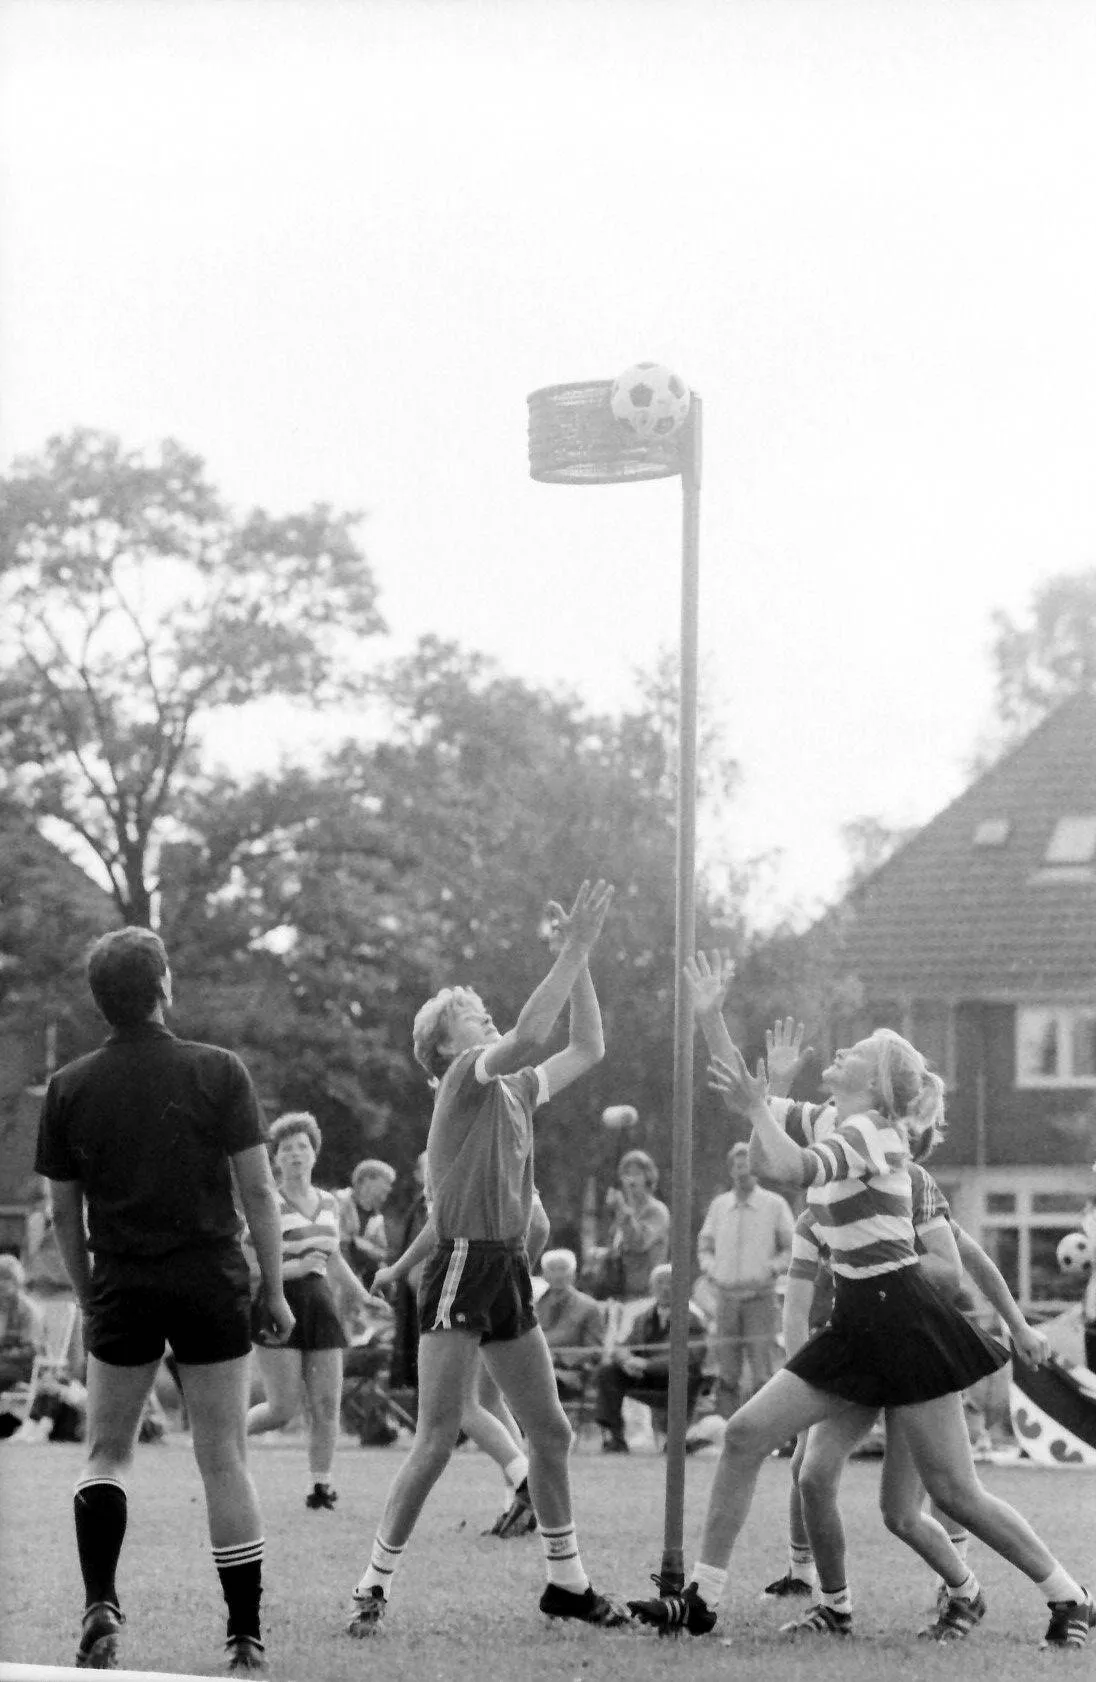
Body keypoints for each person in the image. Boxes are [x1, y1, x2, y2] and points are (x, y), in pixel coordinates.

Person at [628, 951, 1094, 1652]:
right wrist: (709, 1017)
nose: (840, 1050)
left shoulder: (870, 1134)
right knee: (748, 1435)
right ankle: (701, 1602)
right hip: (857, 1318)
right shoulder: (828, 1118)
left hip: (904, 1320)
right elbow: (751, 1122)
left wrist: (762, 1102)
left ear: (874, 1084)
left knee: (953, 1494)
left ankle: (1070, 1596)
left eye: (858, 1051)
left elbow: (782, 1165)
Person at [346, 879, 630, 1634]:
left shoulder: (515, 1091)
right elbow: (536, 1030)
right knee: (438, 1436)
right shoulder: (465, 1083)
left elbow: (588, 1046)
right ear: (446, 1044)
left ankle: (566, 1583)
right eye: (473, 1015)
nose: (488, 1017)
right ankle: (372, 1584)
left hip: (504, 1267)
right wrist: (571, 949)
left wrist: (586, 959)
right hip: (466, 1265)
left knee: (553, 1434)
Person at [33, 925, 295, 1674]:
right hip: (210, 1279)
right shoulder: (220, 1071)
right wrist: (273, 1289)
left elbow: (60, 1214)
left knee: (107, 1451)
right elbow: (259, 1190)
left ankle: (100, 1605)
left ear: (100, 1001)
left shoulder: (69, 1086)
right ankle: (244, 1636)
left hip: (123, 1282)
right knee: (222, 1456)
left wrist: (90, 1295)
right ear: (164, 988)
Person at [245, 1112, 373, 1509]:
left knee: (325, 1404)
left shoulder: (331, 1203)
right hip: (276, 1301)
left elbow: (333, 1258)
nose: (296, 1155)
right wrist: (291, 1269)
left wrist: (363, 1296)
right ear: (275, 1158)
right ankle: (222, 1442)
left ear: (314, 1155)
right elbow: (248, 1265)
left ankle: (321, 1486)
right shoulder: (268, 1202)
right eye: (287, 1149)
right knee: (282, 1408)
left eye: (303, 1147)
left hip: (320, 1303)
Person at [697, 1141, 794, 1418]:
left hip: (760, 1298)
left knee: (762, 1370)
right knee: (726, 1372)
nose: (744, 1171)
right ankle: (726, 1431)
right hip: (725, 1298)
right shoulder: (719, 1206)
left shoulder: (774, 1205)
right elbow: (704, 1244)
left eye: (749, 1165)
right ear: (731, 1170)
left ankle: (764, 1431)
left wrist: (772, 1268)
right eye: (739, 1166)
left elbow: (790, 1246)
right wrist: (711, 1269)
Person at [594, 1263, 706, 1452]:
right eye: (660, 1283)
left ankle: (675, 1441)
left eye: (671, 1282)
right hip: (646, 1377)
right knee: (608, 1373)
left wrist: (646, 1364)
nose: (665, 1288)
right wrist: (627, 1360)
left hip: (678, 1378)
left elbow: (689, 1357)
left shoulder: (693, 1317)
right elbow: (623, 1346)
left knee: (684, 1377)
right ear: (651, 1287)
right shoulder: (643, 1317)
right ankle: (615, 1438)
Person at [534, 1248, 605, 1402]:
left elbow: (595, 1351)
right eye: (553, 1269)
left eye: (563, 1269)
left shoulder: (589, 1307)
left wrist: (558, 1358)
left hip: (569, 1372)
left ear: (573, 1274)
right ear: (544, 1275)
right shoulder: (533, 1305)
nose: (559, 1275)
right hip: (533, 1366)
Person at [387, 1151, 429, 1396]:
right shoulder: (420, 1205)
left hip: (432, 1298)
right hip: (417, 1296)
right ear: (417, 1174)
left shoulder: (437, 1205)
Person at [604, 1150, 670, 1302]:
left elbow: (638, 1243)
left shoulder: (656, 1211)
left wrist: (621, 1210)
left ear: (648, 1177)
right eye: (627, 1173)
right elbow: (618, 1249)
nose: (631, 1180)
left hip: (645, 1294)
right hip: (619, 1293)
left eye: (637, 1173)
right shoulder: (624, 1210)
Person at [0, 1253, 45, 1429]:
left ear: (17, 1281)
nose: (1, 1284)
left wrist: (5, 1355)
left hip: (22, 1367)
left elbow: (32, 1350)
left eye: (6, 1279)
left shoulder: (27, 1310)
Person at [339, 1159, 397, 1292]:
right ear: (367, 1180)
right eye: (386, 1182)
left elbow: (382, 1253)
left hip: (361, 1275)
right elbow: (339, 1243)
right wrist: (359, 1244)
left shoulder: (376, 1218)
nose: (389, 1189)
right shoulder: (338, 1202)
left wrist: (362, 1245)